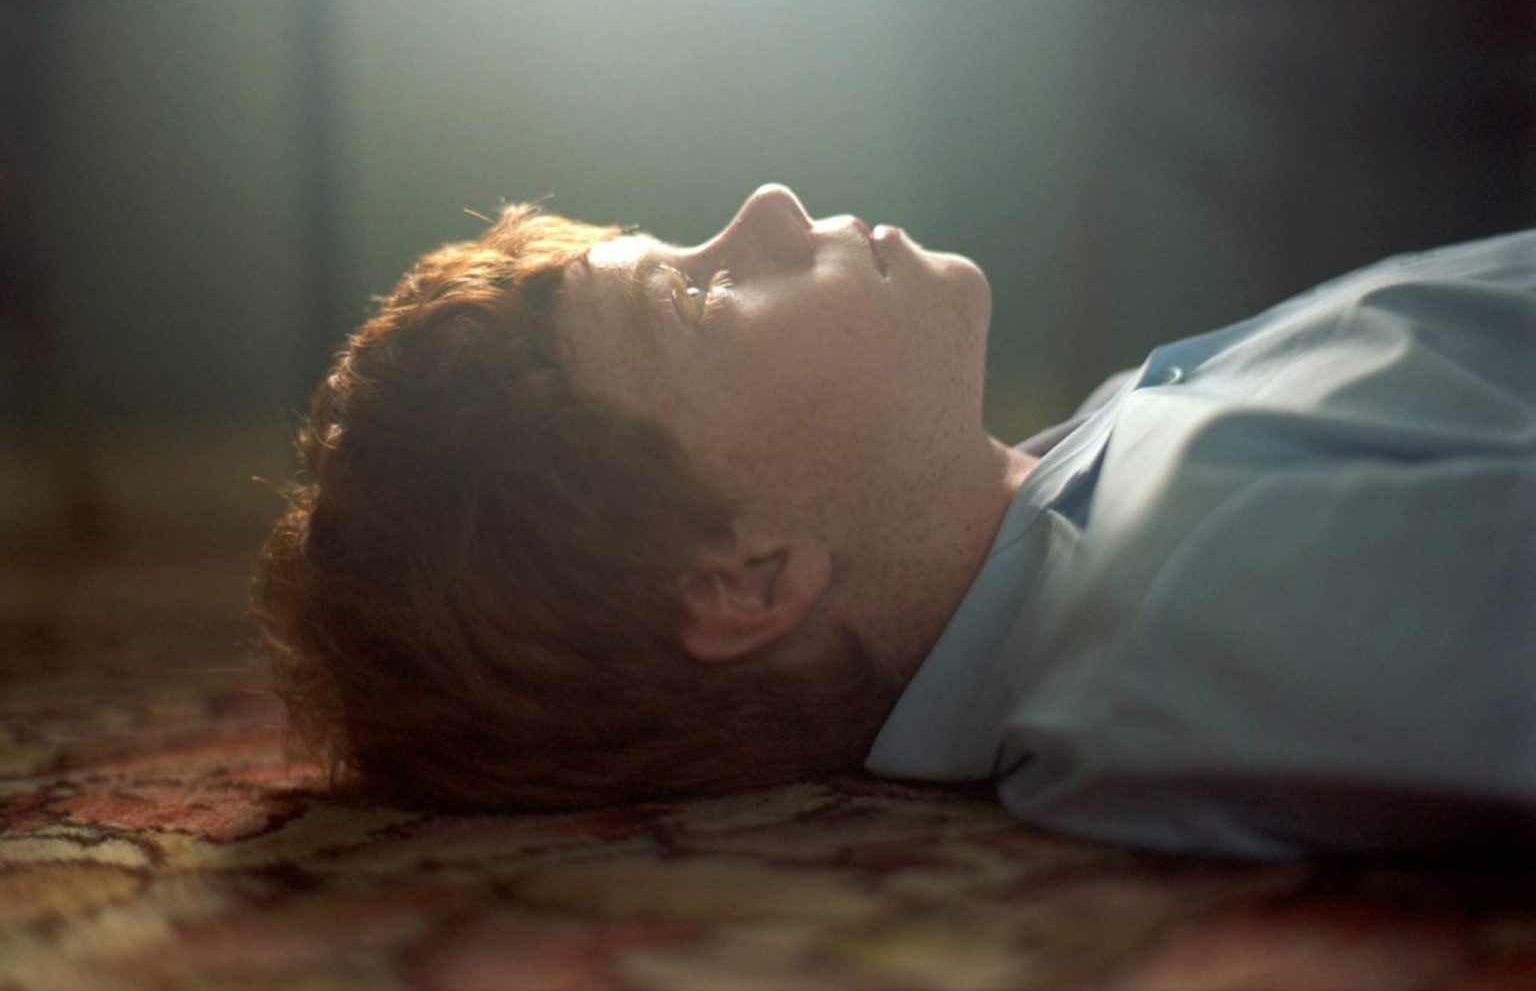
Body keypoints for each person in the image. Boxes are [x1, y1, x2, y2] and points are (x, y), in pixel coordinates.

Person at [257, 184, 1536, 858]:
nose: (765, 207)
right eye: (698, 298)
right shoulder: (1193, 601)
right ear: (752, 576)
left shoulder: (1093, 472)